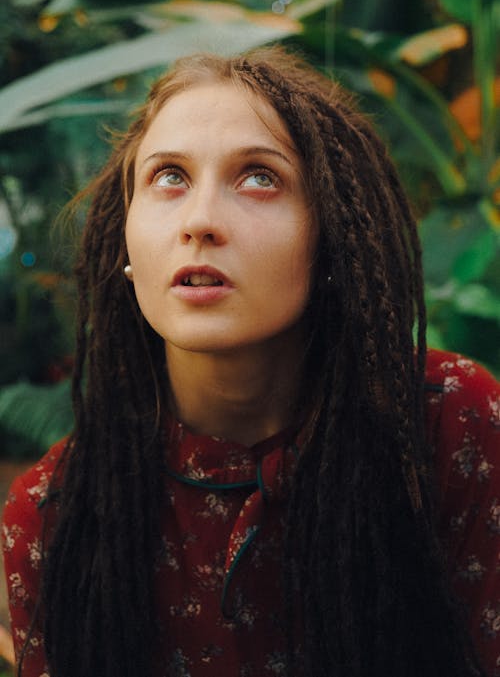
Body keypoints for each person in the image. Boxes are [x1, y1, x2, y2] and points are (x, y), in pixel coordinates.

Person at [2, 46, 499, 677]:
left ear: (331, 239)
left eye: (260, 177)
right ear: (127, 243)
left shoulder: (452, 425)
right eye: (168, 178)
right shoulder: (54, 513)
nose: (200, 220)